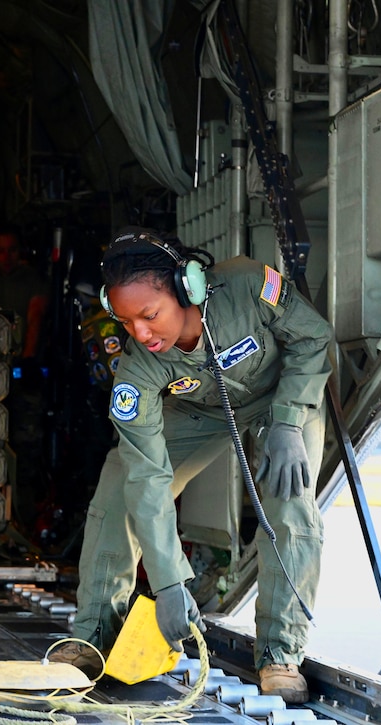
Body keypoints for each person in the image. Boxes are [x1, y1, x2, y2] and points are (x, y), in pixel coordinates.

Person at [50, 228, 332, 704]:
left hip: (282, 398)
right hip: (199, 414)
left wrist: (288, 422)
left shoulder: (247, 285)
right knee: (119, 488)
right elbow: (147, 477)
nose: (140, 333)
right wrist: (169, 582)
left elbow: (312, 338)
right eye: (125, 320)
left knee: (290, 502)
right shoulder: (137, 366)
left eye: (149, 315)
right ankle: (91, 637)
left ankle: (281, 653)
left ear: (189, 289)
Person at [0, 227, 48, 360]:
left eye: (12, 250)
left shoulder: (32, 278)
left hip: (17, 358)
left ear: (20, 250)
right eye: (1, 251)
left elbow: (36, 319)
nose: (7, 257)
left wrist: (26, 361)